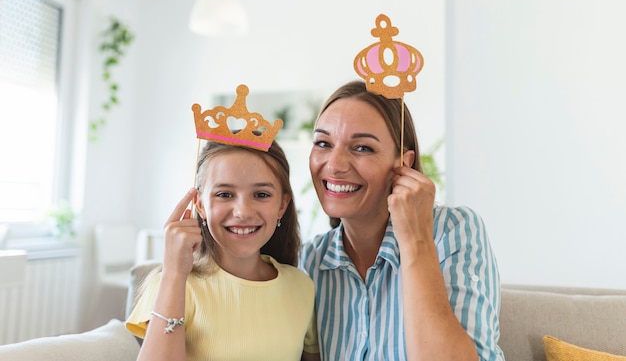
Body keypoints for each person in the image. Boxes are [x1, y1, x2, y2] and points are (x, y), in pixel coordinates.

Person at [299, 80, 504, 361]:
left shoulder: (452, 231)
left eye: (362, 148)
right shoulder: (309, 261)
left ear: (404, 164)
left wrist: (415, 240)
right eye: (323, 143)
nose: (334, 165)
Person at [126, 140, 320, 361]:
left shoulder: (302, 286)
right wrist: (174, 273)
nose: (243, 212)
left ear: (282, 206)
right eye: (225, 194)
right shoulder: (172, 284)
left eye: (261, 195)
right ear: (199, 205)